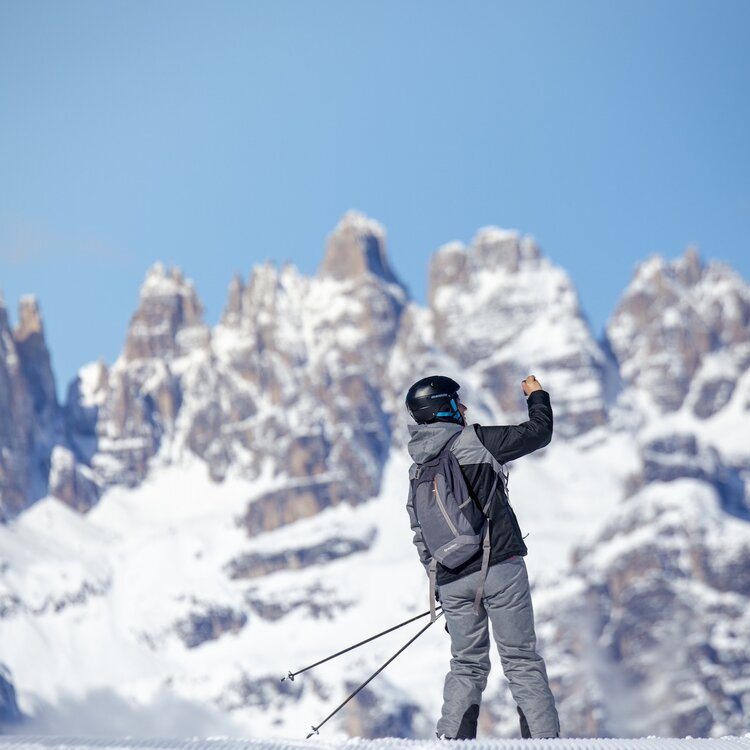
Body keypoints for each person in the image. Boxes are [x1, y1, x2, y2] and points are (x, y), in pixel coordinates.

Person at [404, 374, 560, 740]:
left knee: (466, 665)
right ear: (445, 407)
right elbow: (539, 432)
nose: (464, 408)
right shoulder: (475, 441)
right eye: (457, 402)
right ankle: (545, 745)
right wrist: (537, 396)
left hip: (451, 580)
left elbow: (421, 535)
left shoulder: (416, 470)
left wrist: (442, 589)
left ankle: (451, 742)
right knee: (521, 661)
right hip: (501, 567)